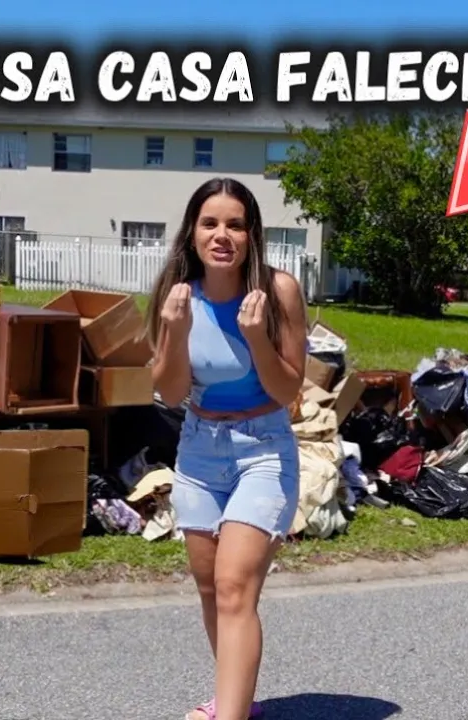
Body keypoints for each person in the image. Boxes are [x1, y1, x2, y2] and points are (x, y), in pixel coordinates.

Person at [146, 177, 308, 720]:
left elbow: (287, 390)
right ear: (192, 233)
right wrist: (174, 332)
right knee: (211, 588)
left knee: (235, 586)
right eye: (210, 223)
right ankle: (235, 699)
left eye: (235, 225)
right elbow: (171, 393)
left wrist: (257, 337)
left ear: (251, 234)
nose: (222, 235)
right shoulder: (176, 294)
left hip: (263, 450)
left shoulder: (279, 291)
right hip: (198, 451)